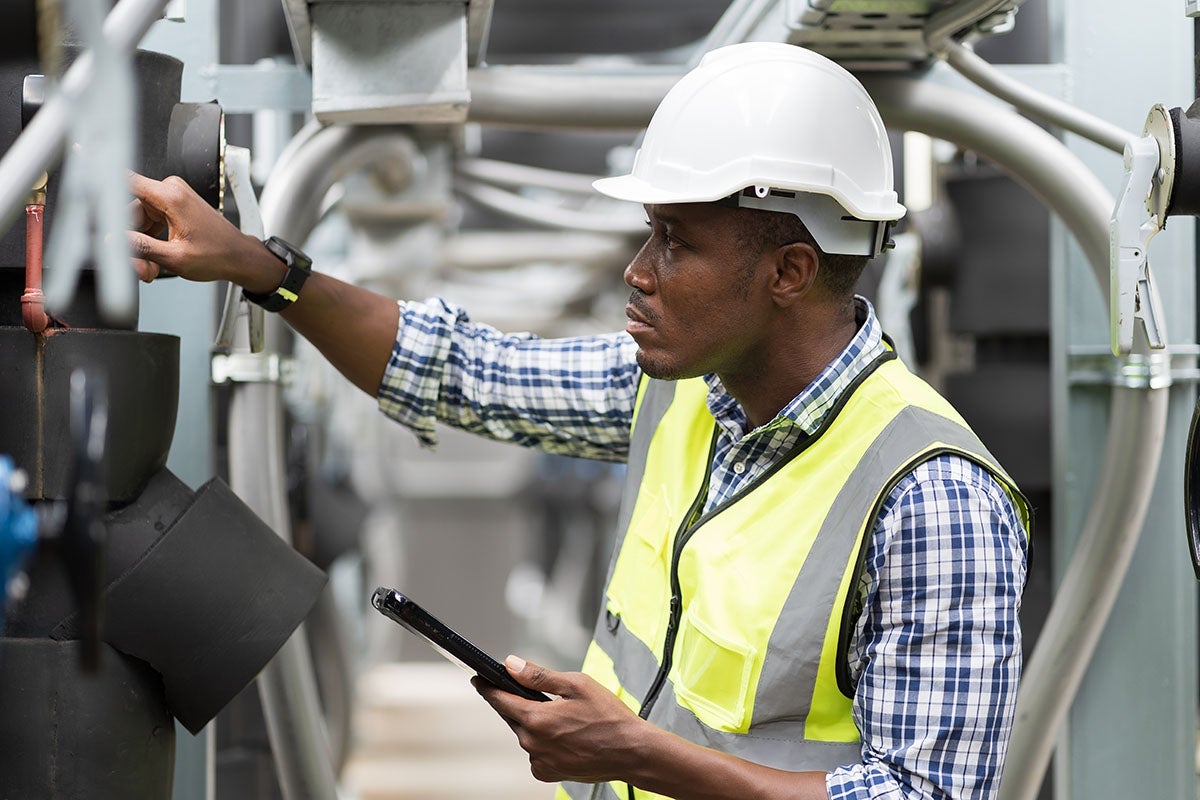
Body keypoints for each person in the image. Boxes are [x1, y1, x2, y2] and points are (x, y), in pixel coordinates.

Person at [128, 43, 1029, 800]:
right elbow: (461, 371)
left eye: (676, 240)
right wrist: (260, 268)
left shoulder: (930, 496)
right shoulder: (679, 393)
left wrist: (641, 755)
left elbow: (925, 794)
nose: (638, 271)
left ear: (790, 270)